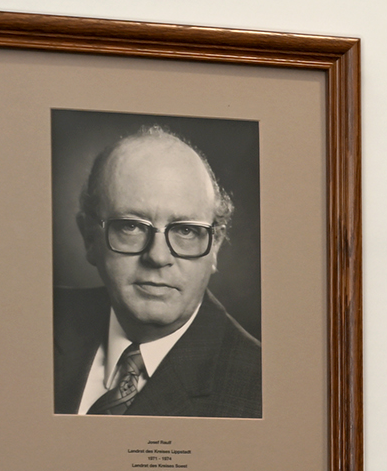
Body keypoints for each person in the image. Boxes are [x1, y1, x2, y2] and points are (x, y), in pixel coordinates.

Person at [53, 125, 262, 419]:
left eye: (186, 230)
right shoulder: (36, 323)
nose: (158, 256)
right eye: (131, 226)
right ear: (89, 238)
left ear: (214, 246)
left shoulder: (260, 388)